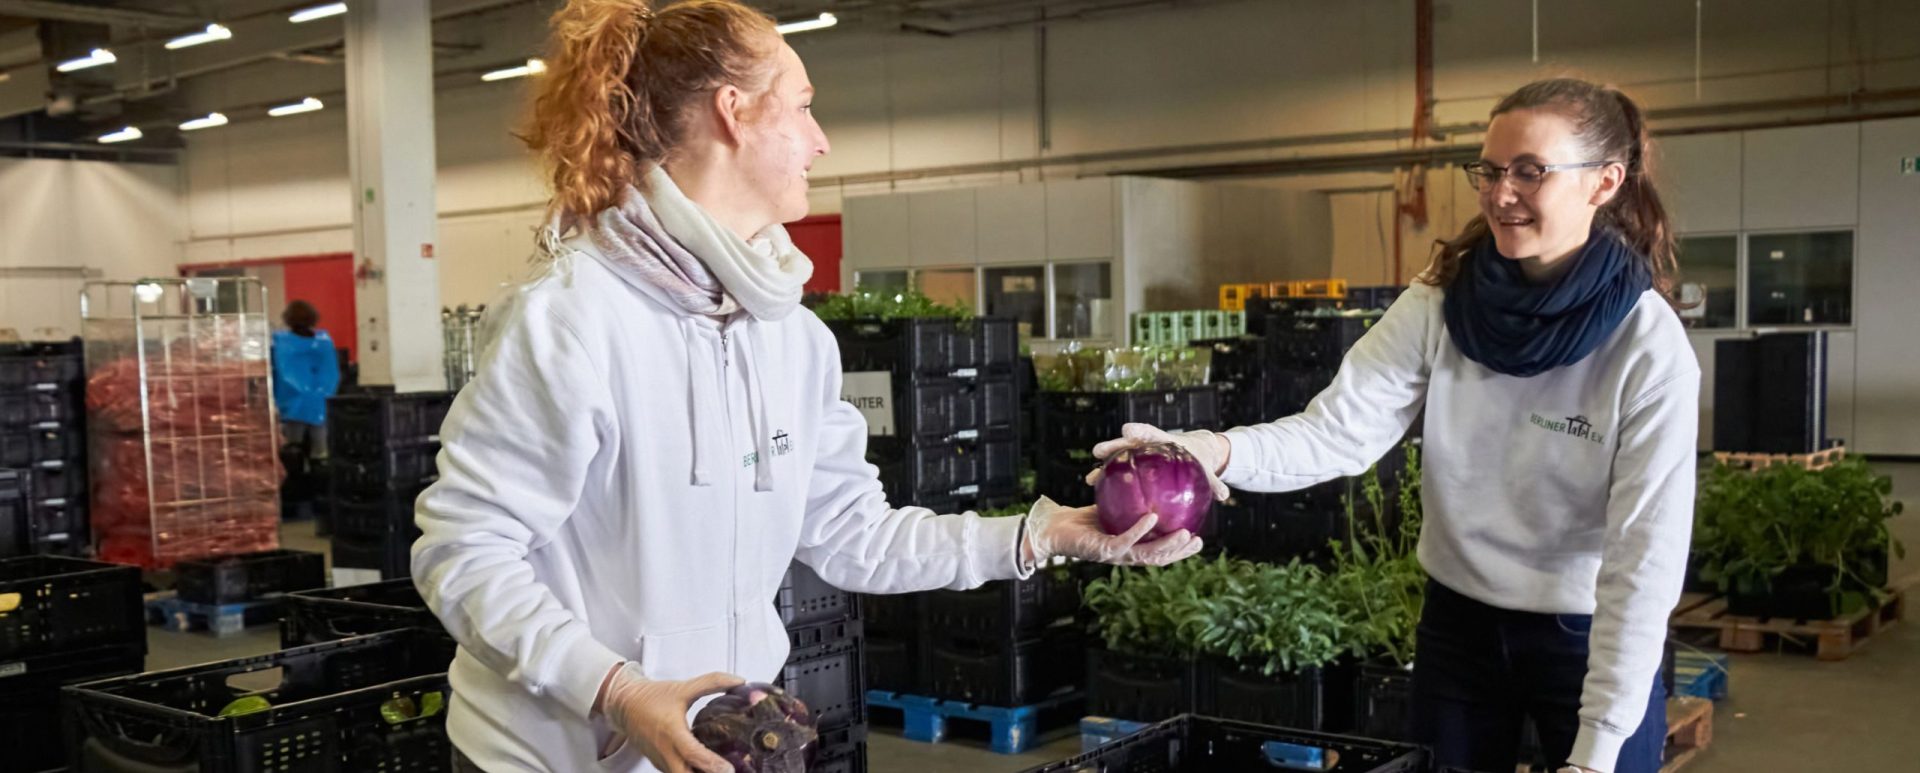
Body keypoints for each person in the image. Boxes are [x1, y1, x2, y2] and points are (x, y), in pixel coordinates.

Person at [410, 2, 1203, 772]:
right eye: (803, 107)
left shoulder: (791, 336)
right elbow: (464, 551)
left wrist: (1044, 536)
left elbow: (854, 535)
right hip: (554, 755)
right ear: (734, 113)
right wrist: (617, 689)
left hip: (722, 743)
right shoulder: (571, 320)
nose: (820, 143)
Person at [1092, 78, 1696, 773]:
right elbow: (1336, 431)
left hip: (1590, 632)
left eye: (1531, 171)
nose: (1502, 192)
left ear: (1605, 181)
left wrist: (1596, 753)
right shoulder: (1443, 301)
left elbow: (1643, 561)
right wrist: (1209, 450)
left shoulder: (1646, 348)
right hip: (1460, 627)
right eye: (1491, 170)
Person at [271, 300, 340, 476]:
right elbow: (331, 372)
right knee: (320, 448)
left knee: (292, 447)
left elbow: (276, 370)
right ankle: (322, 487)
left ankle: (296, 487)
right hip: (319, 402)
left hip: (292, 403)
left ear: (288, 319)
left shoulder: (281, 343)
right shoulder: (324, 342)